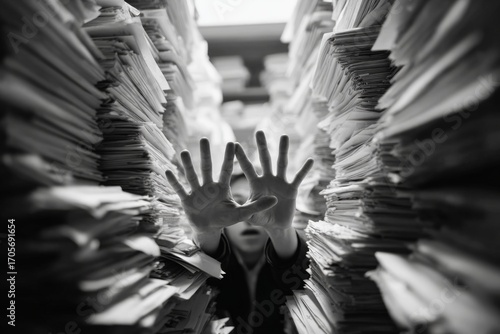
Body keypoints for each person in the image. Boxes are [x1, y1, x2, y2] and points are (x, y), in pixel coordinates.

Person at [165, 131, 314, 334]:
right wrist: (206, 233)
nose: (248, 215)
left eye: (260, 203)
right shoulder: (221, 264)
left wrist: (281, 231)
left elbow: (298, 271)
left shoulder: (286, 259)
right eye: (237, 202)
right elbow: (210, 271)